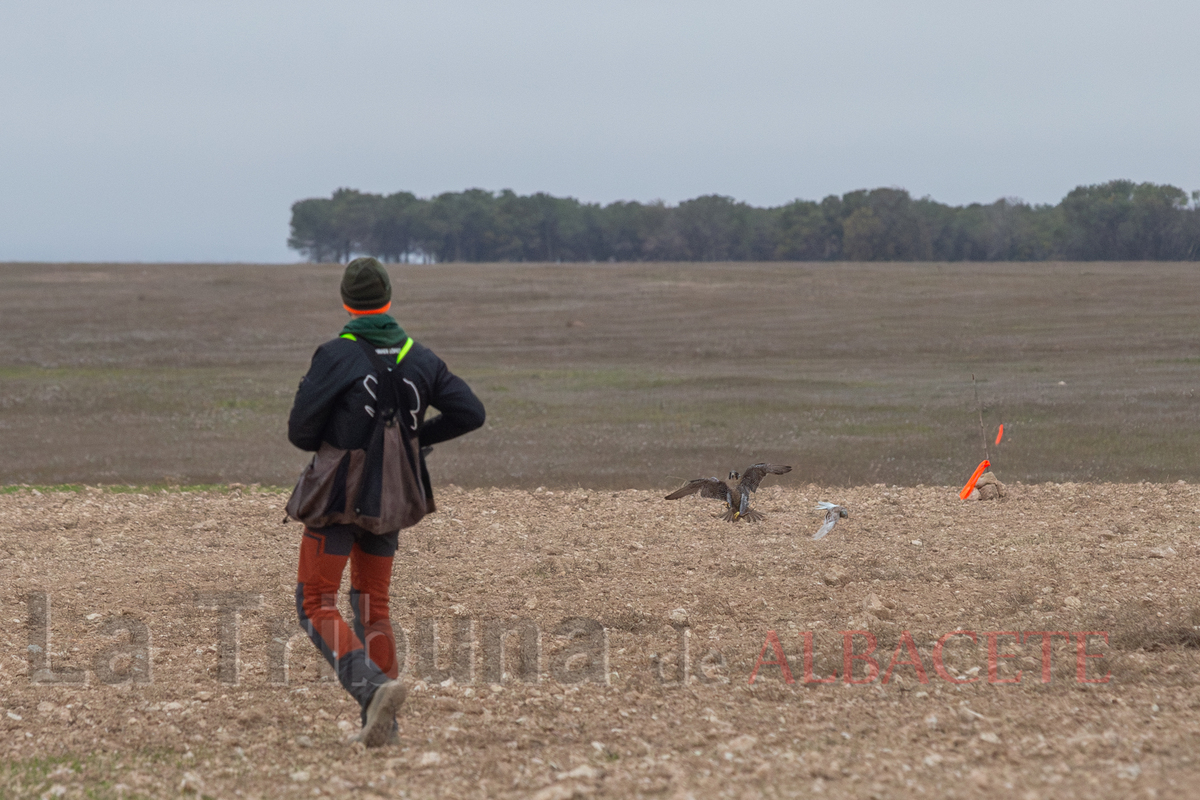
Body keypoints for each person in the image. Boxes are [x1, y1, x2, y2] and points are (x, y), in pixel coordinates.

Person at [287, 257, 485, 746]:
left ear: (347, 303)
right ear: (389, 299)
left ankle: (372, 689)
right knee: (372, 608)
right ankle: (384, 727)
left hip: (337, 497)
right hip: (394, 496)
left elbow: (301, 433)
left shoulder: (336, 354)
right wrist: (417, 440)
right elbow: (471, 412)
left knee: (315, 602)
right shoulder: (421, 358)